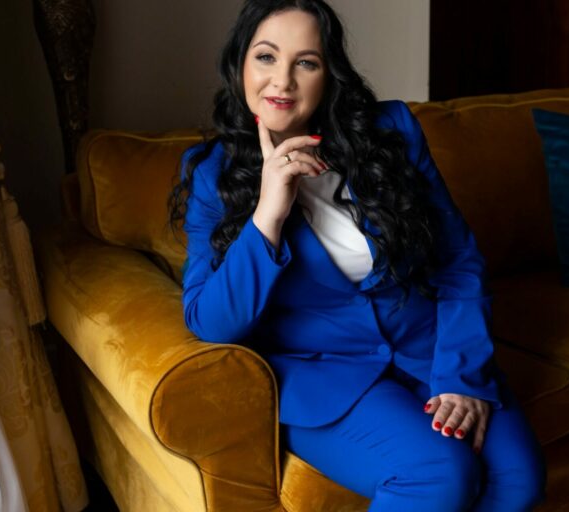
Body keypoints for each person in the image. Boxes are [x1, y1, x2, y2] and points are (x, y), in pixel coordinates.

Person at [169, 0, 546, 510]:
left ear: (329, 74)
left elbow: (458, 260)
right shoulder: (211, 174)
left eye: (306, 62)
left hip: (431, 351)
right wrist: (268, 214)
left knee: (519, 481)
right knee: (439, 474)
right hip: (325, 378)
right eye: (266, 57)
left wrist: (462, 377)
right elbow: (210, 322)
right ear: (240, 64)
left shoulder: (392, 131)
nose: (282, 80)